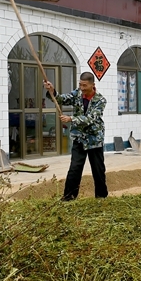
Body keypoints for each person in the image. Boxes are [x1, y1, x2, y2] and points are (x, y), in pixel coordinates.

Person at [43, 72, 108, 201]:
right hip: (79, 138)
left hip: (94, 139)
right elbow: (62, 99)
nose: (82, 88)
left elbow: (91, 118)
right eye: (80, 85)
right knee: (74, 169)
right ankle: (68, 198)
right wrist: (52, 91)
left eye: (85, 85)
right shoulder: (77, 93)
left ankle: (101, 197)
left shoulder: (100, 100)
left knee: (98, 170)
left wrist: (71, 119)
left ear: (93, 85)